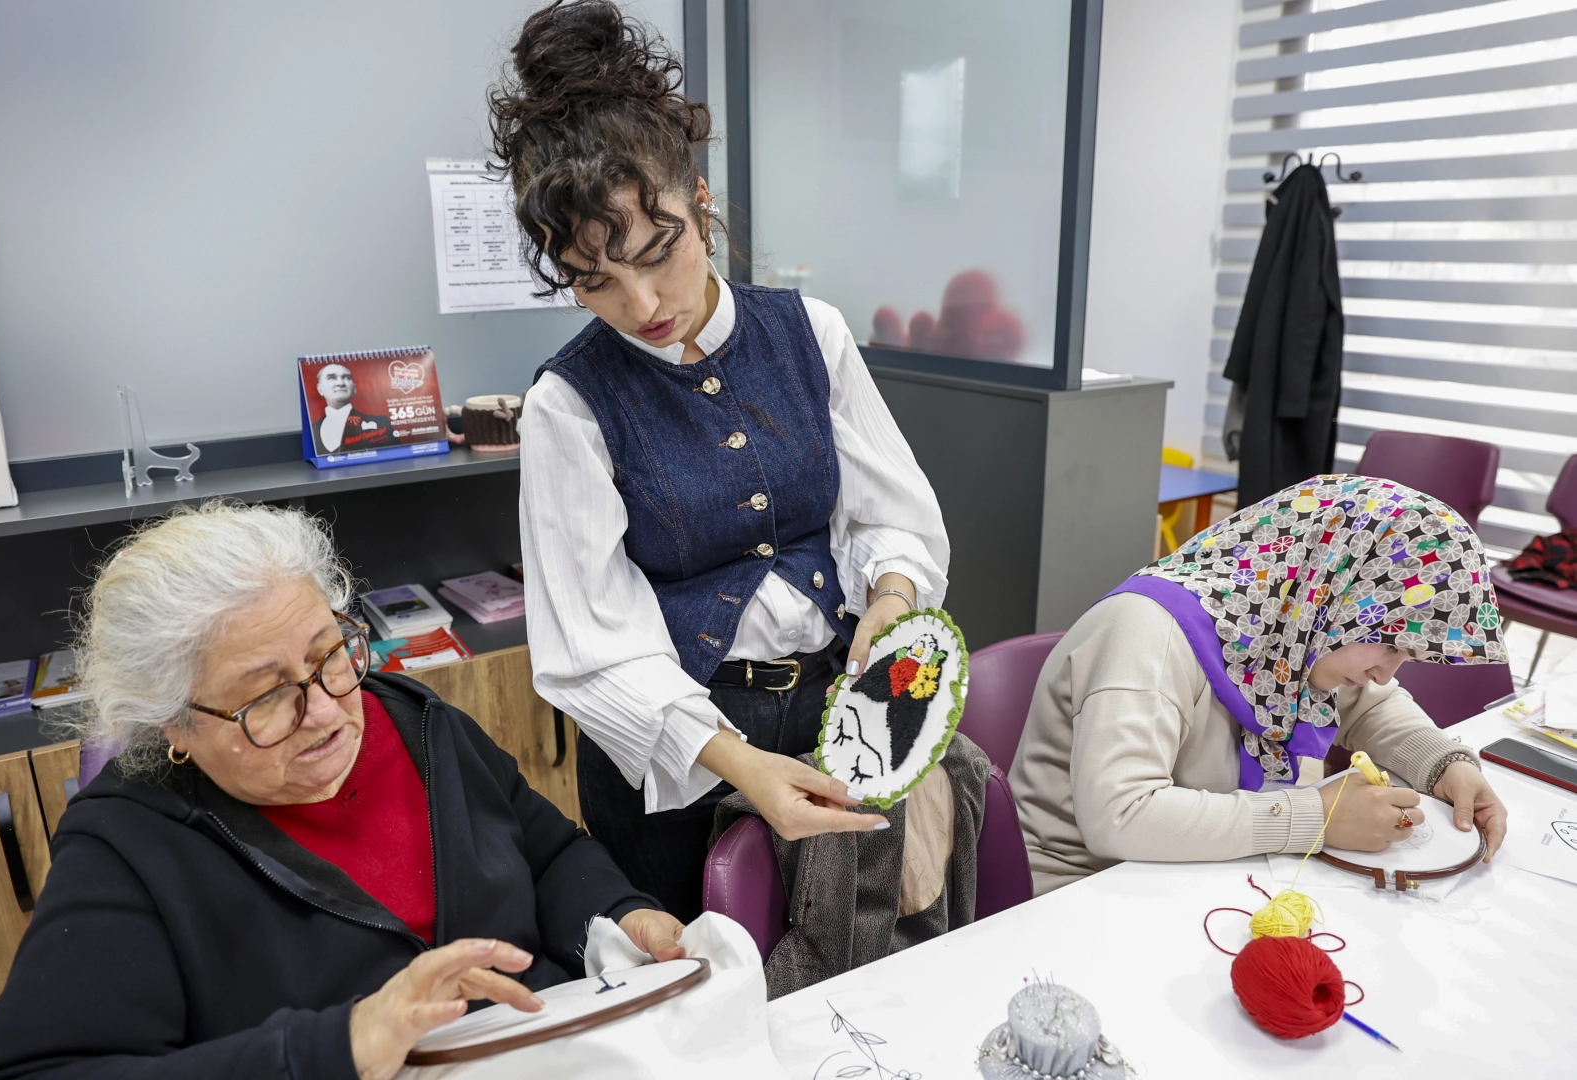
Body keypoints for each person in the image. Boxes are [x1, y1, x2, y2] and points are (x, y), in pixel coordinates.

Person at [491, 0, 949, 920]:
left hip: (833, 712)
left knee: (845, 966)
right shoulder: (567, 406)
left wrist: (891, 601)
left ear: (700, 204)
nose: (643, 300)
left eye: (659, 251)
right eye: (595, 281)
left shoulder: (809, 335)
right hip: (677, 760)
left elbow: (889, 513)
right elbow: (592, 650)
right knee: (699, 1001)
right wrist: (738, 763)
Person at [0, 502, 684, 1080]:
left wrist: (619, 916)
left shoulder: (418, 723)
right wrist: (342, 1045)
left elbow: (550, 854)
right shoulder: (129, 847)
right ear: (173, 725)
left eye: (328, 654)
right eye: (267, 697)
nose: (331, 712)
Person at [1009, 474, 1510, 897]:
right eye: (1389, 645)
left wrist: (1445, 763)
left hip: (1203, 874)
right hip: (1085, 890)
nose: (1387, 672)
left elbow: (1368, 704)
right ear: (1335, 589)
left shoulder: (1295, 621)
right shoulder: (1145, 632)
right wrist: (1315, 818)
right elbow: (1121, 814)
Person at [313, 363, 392, 453]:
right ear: (320, 389)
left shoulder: (380, 423)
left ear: (354, 389)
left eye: (347, 378)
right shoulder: (312, 430)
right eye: (332, 378)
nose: (340, 383)